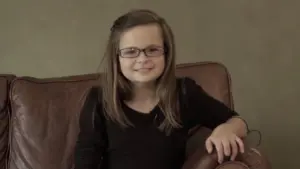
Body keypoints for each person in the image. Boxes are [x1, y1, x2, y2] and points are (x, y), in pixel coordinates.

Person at [74, 9, 248, 169]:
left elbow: (238, 121)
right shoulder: (99, 100)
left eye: (152, 50)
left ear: (166, 52)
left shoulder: (184, 92)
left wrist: (226, 129)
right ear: (117, 57)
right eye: (131, 51)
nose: (142, 59)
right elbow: (86, 160)